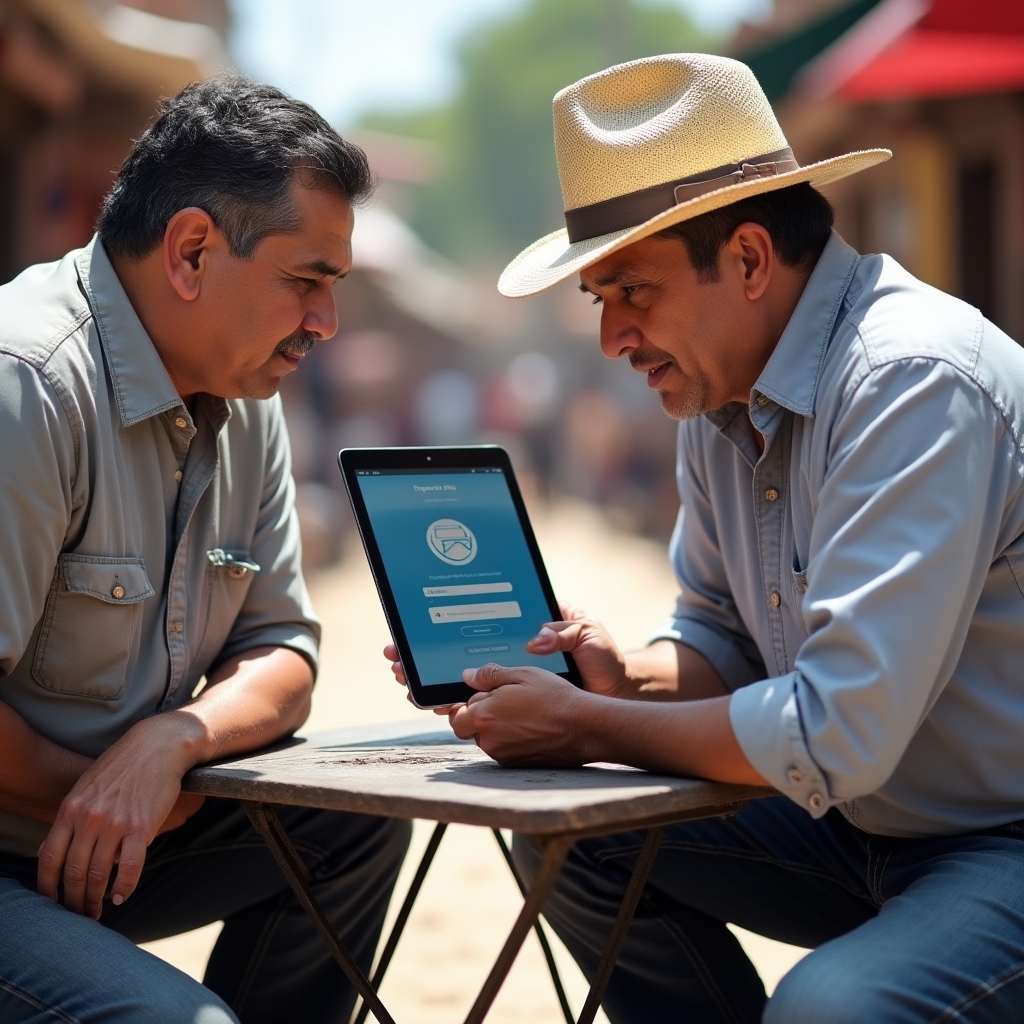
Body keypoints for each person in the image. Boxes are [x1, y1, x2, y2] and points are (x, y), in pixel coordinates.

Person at [387, 53, 1024, 1022]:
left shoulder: (913, 382)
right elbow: (723, 640)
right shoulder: (719, 401)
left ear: (750, 260)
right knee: (571, 836)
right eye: (598, 300)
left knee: (829, 1012)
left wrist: (588, 724)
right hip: (857, 824)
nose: (611, 339)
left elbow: (830, 731)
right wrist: (615, 674)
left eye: (631, 291)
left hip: (998, 839)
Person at [0, 75, 410, 1024]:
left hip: (114, 834)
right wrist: (108, 793)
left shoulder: (243, 392)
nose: (325, 324)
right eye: (306, 281)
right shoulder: (27, 385)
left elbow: (284, 654)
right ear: (191, 251)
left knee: (356, 814)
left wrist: (173, 742)